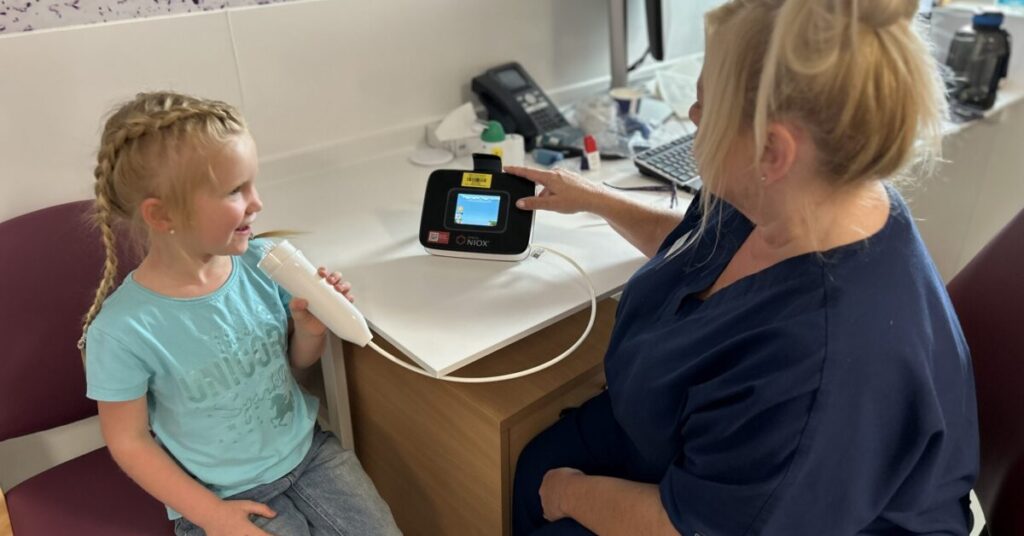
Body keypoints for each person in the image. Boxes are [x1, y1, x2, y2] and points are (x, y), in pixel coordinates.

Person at [509, 0, 979, 534]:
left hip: (769, 513)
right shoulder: (803, 193)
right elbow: (698, 250)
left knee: (551, 503)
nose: (691, 118)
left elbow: (695, 525)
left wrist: (571, 494)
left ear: (771, 150)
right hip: (705, 447)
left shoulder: (819, 364)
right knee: (531, 468)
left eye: (703, 104)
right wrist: (598, 198)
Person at [79, 91, 401, 536]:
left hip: (309, 455)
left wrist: (309, 332)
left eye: (253, 184)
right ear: (163, 214)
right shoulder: (122, 331)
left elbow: (285, 370)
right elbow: (129, 442)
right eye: (235, 190)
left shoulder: (262, 264)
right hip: (219, 495)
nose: (257, 203)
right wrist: (212, 517)